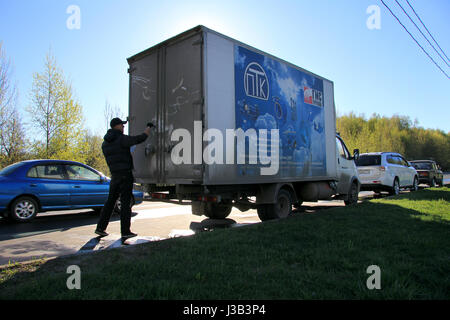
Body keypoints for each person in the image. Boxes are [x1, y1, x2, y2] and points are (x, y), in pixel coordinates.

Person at [95, 117, 151, 240]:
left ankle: (100, 228)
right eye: (122, 125)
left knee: (110, 202)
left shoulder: (105, 143)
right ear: (117, 126)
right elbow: (138, 139)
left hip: (114, 175)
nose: (123, 127)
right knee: (126, 203)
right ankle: (125, 231)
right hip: (125, 175)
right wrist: (148, 129)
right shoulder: (120, 139)